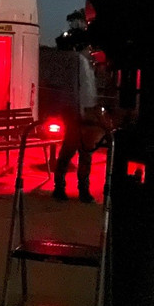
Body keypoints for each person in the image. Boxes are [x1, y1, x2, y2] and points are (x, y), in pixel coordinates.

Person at [51, 47, 106, 203]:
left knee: (80, 152)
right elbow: (80, 89)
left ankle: (70, 187)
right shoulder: (79, 61)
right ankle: (71, 187)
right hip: (78, 112)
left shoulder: (81, 62)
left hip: (81, 111)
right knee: (75, 150)